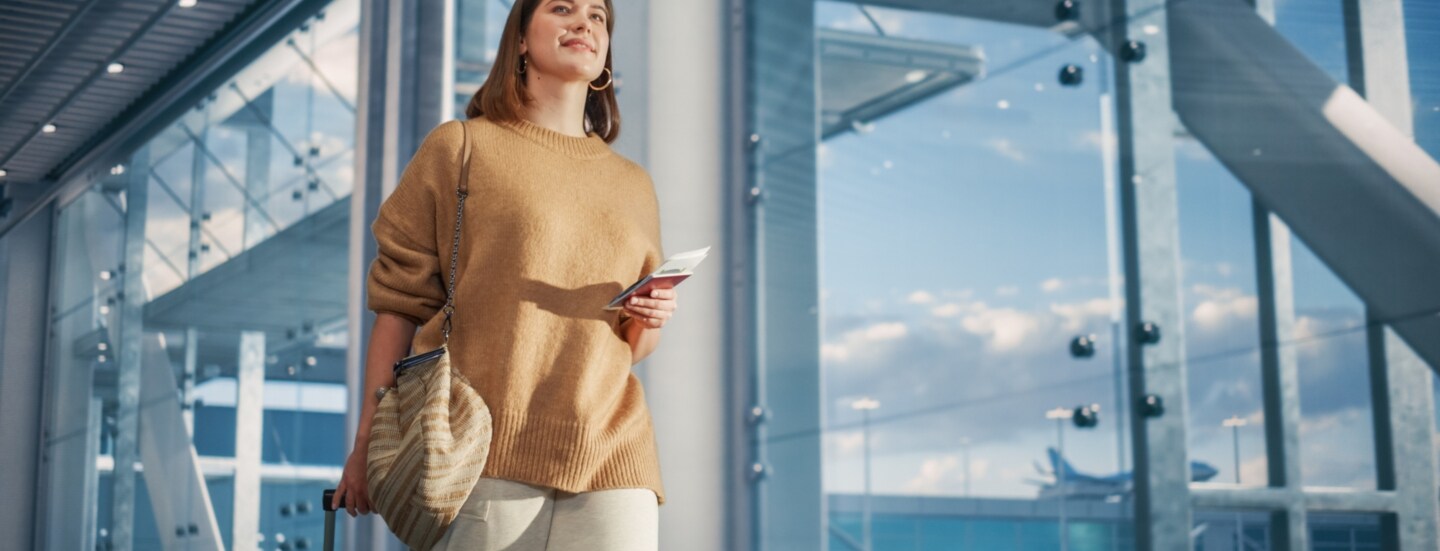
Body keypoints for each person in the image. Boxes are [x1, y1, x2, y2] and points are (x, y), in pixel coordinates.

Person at [330, 0, 676, 549]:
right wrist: (368, 442)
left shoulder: (634, 184)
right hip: (477, 451)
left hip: (614, 453)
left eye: (598, 16)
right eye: (563, 8)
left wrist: (648, 318)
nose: (584, 22)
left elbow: (628, 347)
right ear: (519, 38)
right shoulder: (461, 147)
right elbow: (399, 306)